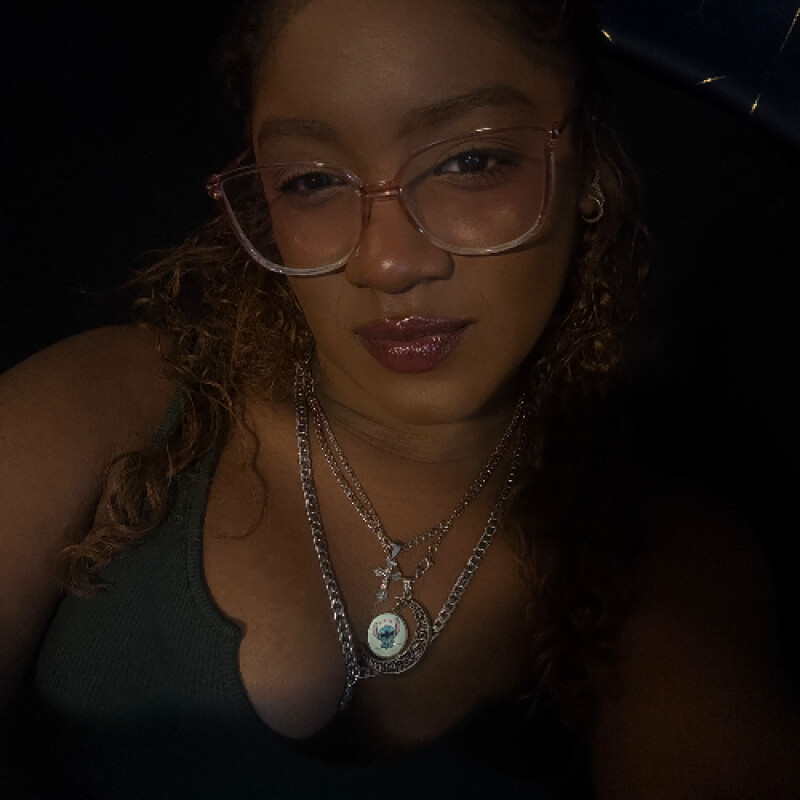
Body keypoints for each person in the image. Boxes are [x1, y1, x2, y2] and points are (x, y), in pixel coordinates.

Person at [1, 0, 798, 797]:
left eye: (468, 162)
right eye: (313, 180)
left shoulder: (669, 554)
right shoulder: (108, 406)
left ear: (586, 163)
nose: (386, 262)